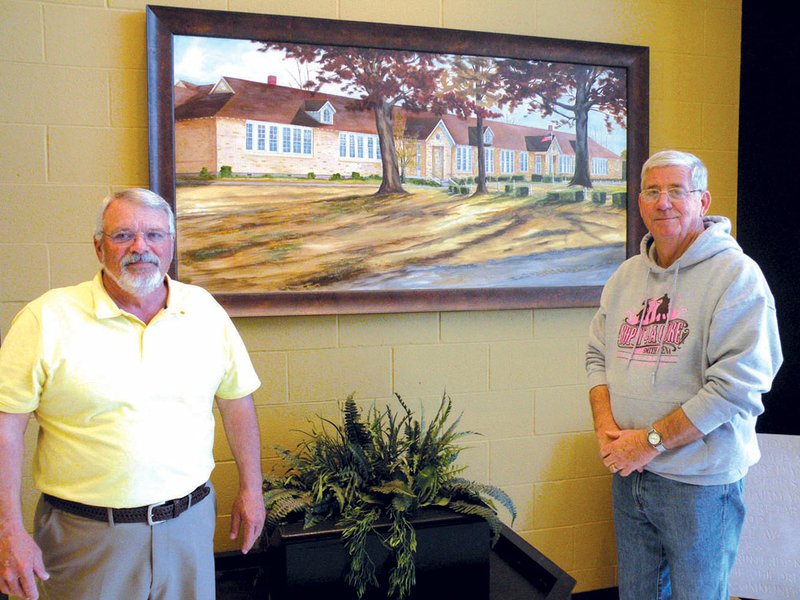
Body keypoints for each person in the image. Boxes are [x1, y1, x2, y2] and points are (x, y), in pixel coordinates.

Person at [0, 188, 265, 600]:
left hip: (189, 528)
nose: (141, 247)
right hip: (85, 537)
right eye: (123, 235)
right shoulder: (46, 319)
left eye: (155, 235)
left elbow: (237, 403)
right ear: (98, 246)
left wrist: (252, 489)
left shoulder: (204, 311)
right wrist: (9, 530)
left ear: (171, 245)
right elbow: (6, 429)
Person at [585, 150, 782, 599]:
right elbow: (596, 355)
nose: (664, 202)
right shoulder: (625, 277)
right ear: (639, 203)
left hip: (699, 485)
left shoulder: (737, 277)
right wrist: (607, 431)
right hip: (629, 474)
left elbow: (738, 385)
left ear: (703, 201)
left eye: (677, 190)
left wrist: (649, 441)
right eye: (653, 191)